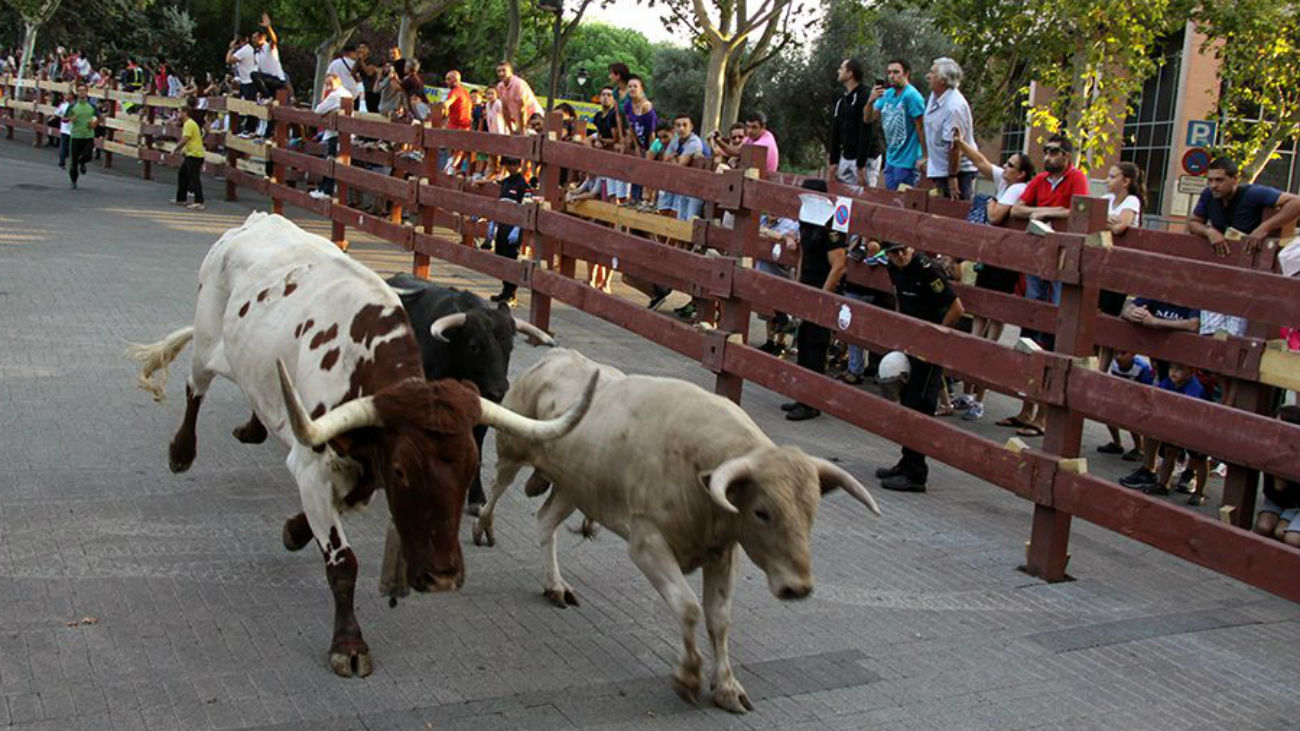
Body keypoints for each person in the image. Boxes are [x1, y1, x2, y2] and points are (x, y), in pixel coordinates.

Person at [948, 128, 1035, 420]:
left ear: (1021, 174)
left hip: (1004, 262)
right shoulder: (1006, 182)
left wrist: (989, 204)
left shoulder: (1017, 189)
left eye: (1011, 165)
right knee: (980, 325)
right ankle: (970, 393)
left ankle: (978, 395)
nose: (1005, 167)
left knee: (990, 330)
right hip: (992, 259)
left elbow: (996, 216)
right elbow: (983, 163)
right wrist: (961, 143)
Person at [875, 240, 965, 492]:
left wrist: (935, 339)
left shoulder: (927, 269)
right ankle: (906, 462)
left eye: (903, 250)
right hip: (910, 344)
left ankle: (916, 474)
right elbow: (900, 300)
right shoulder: (893, 268)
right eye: (894, 253)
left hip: (929, 350)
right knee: (908, 403)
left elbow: (956, 309)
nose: (901, 256)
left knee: (921, 405)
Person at [782, 179, 849, 422]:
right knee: (804, 341)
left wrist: (822, 295)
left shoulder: (833, 224)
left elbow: (839, 265)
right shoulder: (808, 218)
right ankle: (802, 396)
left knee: (816, 345)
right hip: (808, 286)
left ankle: (812, 403)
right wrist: (799, 284)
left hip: (824, 290)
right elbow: (804, 254)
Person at [1118, 362, 1211, 505]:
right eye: (1172, 368)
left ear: (1191, 371)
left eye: (1179, 369)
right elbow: (1159, 395)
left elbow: (1191, 408)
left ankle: (1199, 493)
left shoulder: (1194, 388)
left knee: (1199, 459)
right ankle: (1163, 484)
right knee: (1169, 452)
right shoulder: (1169, 382)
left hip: (1195, 428)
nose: (1173, 372)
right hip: (1175, 424)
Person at [1188, 157, 1300, 258]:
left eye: (1219, 180)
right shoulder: (1208, 195)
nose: (1213, 186)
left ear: (1235, 179)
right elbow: (1193, 223)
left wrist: (1263, 228)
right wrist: (1209, 232)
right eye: (1210, 180)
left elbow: (1297, 202)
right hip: (1222, 258)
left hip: (1253, 258)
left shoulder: (1254, 193)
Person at [921, 57, 977, 200]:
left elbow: (955, 147)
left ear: (943, 80)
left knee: (954, 212)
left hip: (958, 172)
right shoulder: (934, 97)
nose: (928, 76)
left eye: (932, 73)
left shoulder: (954, 107)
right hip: (940, 170)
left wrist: (952, 177)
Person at [866, 59, 926, 190]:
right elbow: (868, 118)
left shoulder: (912, 96)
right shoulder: (886, 94)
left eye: (896, 72)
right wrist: (870, 101)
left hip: (908, 162)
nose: (892, 76)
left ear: (906, 74)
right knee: (892, 200)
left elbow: (921, 128)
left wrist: (925, 157)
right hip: (891, 159)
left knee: (903, 203)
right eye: (889, 73)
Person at [828, 58, 880, 191]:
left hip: (866, 158)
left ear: (850, 73)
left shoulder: (865, 96)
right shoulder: (841, 99)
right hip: (846, 156)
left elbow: (867, 131)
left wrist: (860, 165)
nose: (838, 71)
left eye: (842, 68)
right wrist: (833, 161)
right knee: (844, 198)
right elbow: (836, 130)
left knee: (864, 197)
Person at [1254, 406, 1300, 547]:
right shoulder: (1269, 444)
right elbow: (1277, 488)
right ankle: (1288, 518)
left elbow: (1279, 485)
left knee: (1287, 537)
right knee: (1264, 527)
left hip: (1296, 500)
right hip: (1281, 499)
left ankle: (1289, 519)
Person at [490, 157, 532, 306]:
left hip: (514, 225)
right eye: (508, 164)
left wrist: (518, 228)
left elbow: (525, 206)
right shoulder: (506, 182)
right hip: (502, 224)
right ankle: (505, 291)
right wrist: (493, 223)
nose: (510, 167)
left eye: (513, 164)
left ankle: (511, 294)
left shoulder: (523, 184)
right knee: (501, 258)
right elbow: (500, 203)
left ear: (519, 165)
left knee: (511, 258)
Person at [1096, 349, 1152, 460]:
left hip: (1137, 401)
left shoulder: (1142, 367)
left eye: (1123, 353)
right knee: (1107, 413)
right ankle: (1117, 443)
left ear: (1133, 354)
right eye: (1116, 353)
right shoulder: (1114, 364)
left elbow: (1147, 391)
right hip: (1120, 398)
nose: (1118, 357)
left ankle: (1139, 448)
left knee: (1132, 422)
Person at [309, 73, 353, 201]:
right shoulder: (347, 93)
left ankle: (326, 190)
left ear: (337, 82)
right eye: (326, 84)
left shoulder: (335, 96)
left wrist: (325, 98)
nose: (328, 87)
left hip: (333, 134)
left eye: (330, 84)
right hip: (345, 134)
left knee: (329, 162)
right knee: (333, 162)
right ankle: (324, 189)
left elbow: (318, 110)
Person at [713, 111, 779, 175]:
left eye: (754, 127)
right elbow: (735, 150)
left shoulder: (763, 143)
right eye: (748, 126)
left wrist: (734, 162)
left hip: (761, 181)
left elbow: (738, 153)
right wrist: (719, 141)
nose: (750, 131)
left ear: (763, 127)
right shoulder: (752, 137)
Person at [63, 83, 98, 189]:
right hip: (76, 136)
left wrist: (94, 123)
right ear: (77, 93)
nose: (82, 92)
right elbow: (64, 118)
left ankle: (82, 162)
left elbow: (97, 117)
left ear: (87, 92)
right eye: (80, 90)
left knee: (88, 155)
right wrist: (70, 119)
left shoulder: (91, 106)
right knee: (73, 162)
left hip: (88, 135)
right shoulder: (73, 106)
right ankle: (73, 181)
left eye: (84, 90)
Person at [173, 101, 206, 210]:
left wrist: (177, 148)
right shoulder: (189, 123)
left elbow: (186, 138)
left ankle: (199, 201)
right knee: (183, 175)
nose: (178, 115)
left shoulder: (189, 124)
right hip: (191, 153)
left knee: (194, 178)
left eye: (179, 112)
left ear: (185, 113)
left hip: (195, 155)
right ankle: (181, 198)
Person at [495, 60, 542, 135]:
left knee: (531, 139)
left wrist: (522, 129)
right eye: (499, 71)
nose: (501, 73)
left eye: (504, 71)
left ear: (510, 71)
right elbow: (505, 109)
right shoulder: (500, 87)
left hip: (533, 116)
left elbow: (522, 109)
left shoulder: (518, 84)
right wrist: (510, 130)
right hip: (520, 120)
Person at [226, 35, 258, 135]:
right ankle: (244, 127)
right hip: (245, 81)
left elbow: (228, 60)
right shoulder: (248, 50)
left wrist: (231, 48)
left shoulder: (245, 49)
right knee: (242, 106)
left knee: (249, 107)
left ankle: (249, 129)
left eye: (239, 42)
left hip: (249, 82)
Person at [252, 14, 287, 101]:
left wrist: (268, 27)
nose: (253, 40)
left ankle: (267, 97)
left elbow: (274, 40)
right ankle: (265, 97)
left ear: (262, 38)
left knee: (254, 74)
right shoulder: (257, 54)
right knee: (255, 75)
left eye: (255, 38)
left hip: (277, 80)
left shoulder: (268, 48)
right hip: (268, 81)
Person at [54, 92, 72, 169]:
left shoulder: (63, 106)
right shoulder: (75, 106)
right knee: (68, 146)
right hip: (70, 129)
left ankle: (62, 162)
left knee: (64, 146)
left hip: (66, 128)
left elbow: (56, 114)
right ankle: (66, 161)